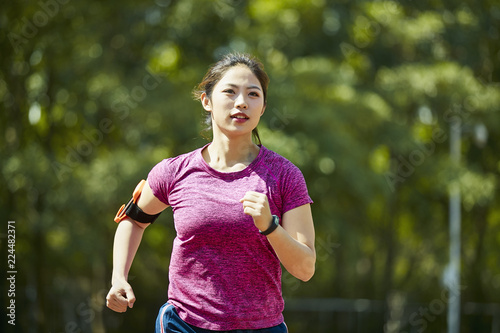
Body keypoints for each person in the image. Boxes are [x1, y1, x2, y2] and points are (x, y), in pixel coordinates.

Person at [106, 53, 316, 333]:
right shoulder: (174, 171)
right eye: (230, 91)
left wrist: (270, 226)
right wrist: (118, 277)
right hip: (185, 323)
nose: (241, 102)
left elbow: (305, 269)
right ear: (207, 101)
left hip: (261, 326)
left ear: (263, 107)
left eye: (253, 94)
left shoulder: (285, 176)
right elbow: (133, 220)